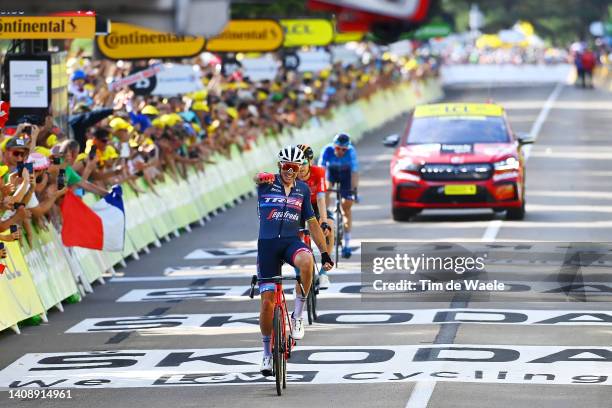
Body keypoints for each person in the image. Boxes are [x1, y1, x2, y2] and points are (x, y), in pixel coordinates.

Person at [253, 145, 333, 376]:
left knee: (307, 261)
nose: (290, 171)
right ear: (280, 165)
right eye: (286, 166)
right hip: (267, 245)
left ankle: (297, 316)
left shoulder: (303, 189)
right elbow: (257, 177)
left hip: (290, 242)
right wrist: (260, 177)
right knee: (267, 303)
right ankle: (267, 354)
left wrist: (325, 252)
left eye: (295, 167)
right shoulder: (267, 183)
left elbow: (313, 223)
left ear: (300, 168)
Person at [296, 143, 334, 289]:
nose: (300, 167)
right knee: (293, 236)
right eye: (297, 163)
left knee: (330, 227)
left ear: (310, 162)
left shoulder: (319, 172)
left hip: (315, 205)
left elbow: (320, 199)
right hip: (297, 207)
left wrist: (323, 221)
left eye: (304, 163)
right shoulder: (290, 175)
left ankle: (324, 273)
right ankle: (299, 273)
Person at [318, 133, 359, 258]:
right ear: (334, 146)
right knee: (325, 192)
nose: (341, 151)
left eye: (344, 149)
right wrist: (321, 190)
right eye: (338, 148)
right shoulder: (327, 150)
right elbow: (321, 171)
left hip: (346, 175)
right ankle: (325, 215)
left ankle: (347, 244)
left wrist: (353, 191)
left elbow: (354, 173)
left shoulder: (351, 152)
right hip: (332, 173)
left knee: (346, 207)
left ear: (347, 148)